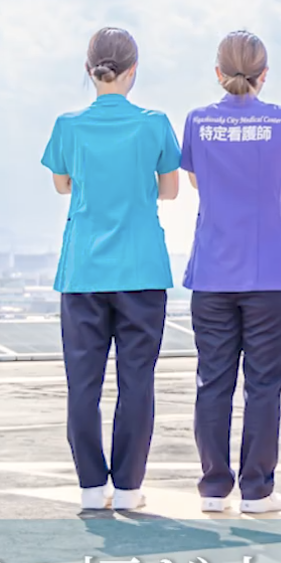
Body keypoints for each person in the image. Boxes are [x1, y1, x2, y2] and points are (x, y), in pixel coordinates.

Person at [42, 27, 182, 513]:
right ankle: (127, 487)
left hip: (83, 270)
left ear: (89, 69)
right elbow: (170, 191)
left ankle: (89, 486)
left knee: (83, 384)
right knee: (136, 381)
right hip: (141, 269)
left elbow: (62, 184)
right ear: (133, 70)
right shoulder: (154, 123)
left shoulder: (68, 125)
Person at [180, 31, 281, 515]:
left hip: (213, 270)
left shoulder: (198, 121)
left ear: (218, 73)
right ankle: (257, 489)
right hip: (271, 271)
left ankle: (214, 488)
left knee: (212, 381)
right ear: (264, 74)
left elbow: (196, 181)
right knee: (263, 385)